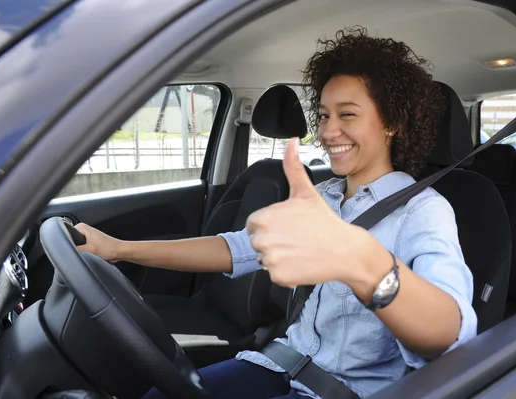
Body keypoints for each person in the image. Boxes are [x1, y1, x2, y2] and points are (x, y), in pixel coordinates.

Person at [76, 27, 477, 399]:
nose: (327, 131)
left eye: (347, 114)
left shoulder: (423, 212)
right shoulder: (322, 196)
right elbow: (234, 249)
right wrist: (118, 248)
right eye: (323, 115)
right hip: (279, 362)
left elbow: (450, 332)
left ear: (392, 124)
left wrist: (361, 261)